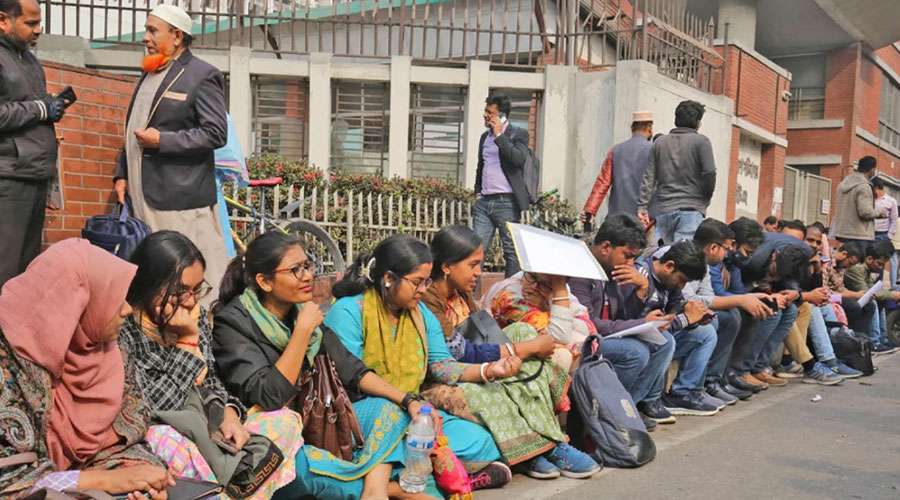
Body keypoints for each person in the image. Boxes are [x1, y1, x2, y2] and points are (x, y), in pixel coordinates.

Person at [213, 232, 454, 500]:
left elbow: (353, 370)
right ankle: (390, 489)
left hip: (318, 422)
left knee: (391, 410)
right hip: (277, 434)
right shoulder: (234, 323)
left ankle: (375, 493)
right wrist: (302, 332)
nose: (308, 276)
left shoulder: (300, 313)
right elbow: (269, 396)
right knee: (297, 470)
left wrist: (409, 400)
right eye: (296, 270)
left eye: (307, 266)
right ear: (265, 281)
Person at [117, 231, 303, 499]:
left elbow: (212, 380)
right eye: (179, 291)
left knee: (284, 421)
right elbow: (152, 405)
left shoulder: (197, 317)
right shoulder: (124, 328)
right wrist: (187, 343)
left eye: (196, 290)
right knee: (166, 440)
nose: (191, 301)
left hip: (207, 425)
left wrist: (228, 414)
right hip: (163, 435)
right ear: (149, 283)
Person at [422, 225, 599, 480]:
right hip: (443, 376)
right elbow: (460, 354)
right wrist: (519, 351)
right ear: (447, 266)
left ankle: (551, 443)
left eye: (480, 264)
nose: (479, 273)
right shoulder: (428, 299)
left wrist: (521, 349)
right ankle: (530, 454)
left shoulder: (461, 292)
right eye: (473, 265)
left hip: (478, 362)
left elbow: (482, 331)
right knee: (487, 387)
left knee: (526, 337)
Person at [0, 239, 173, 499]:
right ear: (75, 301)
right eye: (113, 297)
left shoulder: (110, 350)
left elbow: (125, 442)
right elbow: (10, 480)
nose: (126, 309)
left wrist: (144, 478)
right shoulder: (9, 363)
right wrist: (106, 481)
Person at [113, 4, 228, 305]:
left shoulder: (202, 75)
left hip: (179, 199)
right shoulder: (150, 72)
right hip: (142, 195)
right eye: (147, 29)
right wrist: (122, 172)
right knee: (159, 272)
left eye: (153, 30)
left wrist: (163, 140)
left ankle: (201, 333)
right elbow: (133, 129)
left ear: (177, 36)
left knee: (190, 272)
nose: (145, 37)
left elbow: (215, 133)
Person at [568, 214, 676, 430]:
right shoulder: (580, 270)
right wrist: (640, 324)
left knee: (665, 342)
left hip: (606, 336)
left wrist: (641, 290)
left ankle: (629, 407)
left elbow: (622, 317)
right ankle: (607, 414)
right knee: (635, 352)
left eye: (634, 258)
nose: (631, 264)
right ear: (606, 246)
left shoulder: (614, 270)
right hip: (582, 339)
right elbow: (589, 325)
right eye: (627, 256)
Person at [0, 0, 68, 288]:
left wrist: (52, 105)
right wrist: (41, 109)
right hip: (8, 179)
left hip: (33, 176)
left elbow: (28, 106)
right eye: (30, 23)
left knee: (23, 274)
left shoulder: (28, 59)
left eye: (39, 23)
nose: (39, 30)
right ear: (3, 20)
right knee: (4, 270)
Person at [682, 218, 774, 404]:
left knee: (730, 316)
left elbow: (706, 296)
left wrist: (748, 298)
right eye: (725, 248)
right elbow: (687, 299)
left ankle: (714, 381)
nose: (726, 254)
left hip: (689, 312)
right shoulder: (683, 256)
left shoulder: (705, 262)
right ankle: (687, 390)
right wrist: (740, 300)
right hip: (672, 316)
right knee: (718, 320)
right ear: (713, 247)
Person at [633, 242, 721, 416]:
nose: (682, 286)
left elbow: (675, 311)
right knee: (665, 339)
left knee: (707, 332)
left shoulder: (671, 284)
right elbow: (651, 325)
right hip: (636, 334)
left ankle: (683, 393)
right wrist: (686, 318)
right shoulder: (642, 275)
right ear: (669, 266)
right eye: (681, 280)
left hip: (655, 333)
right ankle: (644, 401)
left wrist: (696, 317)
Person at [480, 267, 597, 374]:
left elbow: (589, 329)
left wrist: (546, 307)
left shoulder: (558, 291)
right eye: (532, 277)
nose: (534, 287)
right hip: (502, 357)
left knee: (587, 344)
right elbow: (560, 334)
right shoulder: (509, 294)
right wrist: (557, 304)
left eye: (545, 285)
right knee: (562, 354)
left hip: (529, 353)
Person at [732, 231, 811, 390]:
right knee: (771, 312)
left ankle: (759, 367)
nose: (772, 279)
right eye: (773, 273)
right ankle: (744, 369)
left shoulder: (804, 255)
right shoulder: (755, 259)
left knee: (790, 311)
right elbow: (737, 289)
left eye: (778, 278)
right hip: (740, 292)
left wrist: (792, 293)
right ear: (775, 255)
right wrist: (763, 295)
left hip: (763, 291)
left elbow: (793, 280)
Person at [637, 100, 716, 244]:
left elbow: (649, 177)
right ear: (697, 123)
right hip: (691, 209)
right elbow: (709, 173)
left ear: (676, 119)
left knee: (662, 256)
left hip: (664, 210)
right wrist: (706, 197)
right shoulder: (702, 142)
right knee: (684, 258)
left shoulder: (660, 143)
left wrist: (642, 206)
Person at [472, 93, 532, 277]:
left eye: (490, 113)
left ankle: (511, 295)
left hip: (507, 202)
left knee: (511, 252)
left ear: (502, 116)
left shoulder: (518, 134)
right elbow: (481, 166)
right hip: (484, 202)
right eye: (485, 111)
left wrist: (499, 136)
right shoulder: (484, 137)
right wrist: (477, 192)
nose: (485, 116)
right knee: (475, 250)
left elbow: (518, 159)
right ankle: (468, 297)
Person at [580, 110, 654, 223]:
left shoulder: (616, 151)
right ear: (650, 128)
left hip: (617, 219)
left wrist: (590, 210)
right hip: (644, 220)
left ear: (631, 128)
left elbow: (602, 182)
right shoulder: (654, 151)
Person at [843, 239, 900, 354]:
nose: (880, 267)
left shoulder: (866, 269)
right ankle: (875, 342)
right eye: (879, 264)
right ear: (869, 259)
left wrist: (888, 295)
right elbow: (866, 291)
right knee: (872, 301)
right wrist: (892, 295)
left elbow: (872, 289)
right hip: (850, 298)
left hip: (856, 296)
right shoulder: (858, 269)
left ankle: (882, 339)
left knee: (881, 301)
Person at [831, 157, 879, 244]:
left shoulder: (841, 184)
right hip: (860, 235)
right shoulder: (864, 186)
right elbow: (865, 212)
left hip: (841, 233)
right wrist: (879, 214)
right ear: (872, 170)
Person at [872, 177, 899, 288]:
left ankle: (878, 286)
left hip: (882, 235)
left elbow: (894, 220)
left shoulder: (891, 201)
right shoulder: (869, 200)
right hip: (869, 234)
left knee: (879, 263)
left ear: (877, 188)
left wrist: (888, 236)